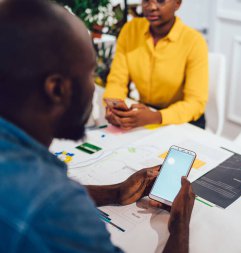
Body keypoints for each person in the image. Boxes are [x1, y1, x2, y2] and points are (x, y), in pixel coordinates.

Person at [0, 0, 194, 252]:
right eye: (90, 74)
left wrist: (114, 193)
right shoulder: (55, 207)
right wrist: (180, 223)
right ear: (57, 89)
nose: (94, 87)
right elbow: (44, 202)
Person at [103, 0, 209, 130]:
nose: (151, 7)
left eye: (160, 1)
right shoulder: (130, 30)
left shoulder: (194, 42)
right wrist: (114, 108)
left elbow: (195, 103)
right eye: (146, 0)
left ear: (177, 3)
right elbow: (117, 81)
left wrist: (156, 117)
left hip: (184, 121)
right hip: (145, 113)